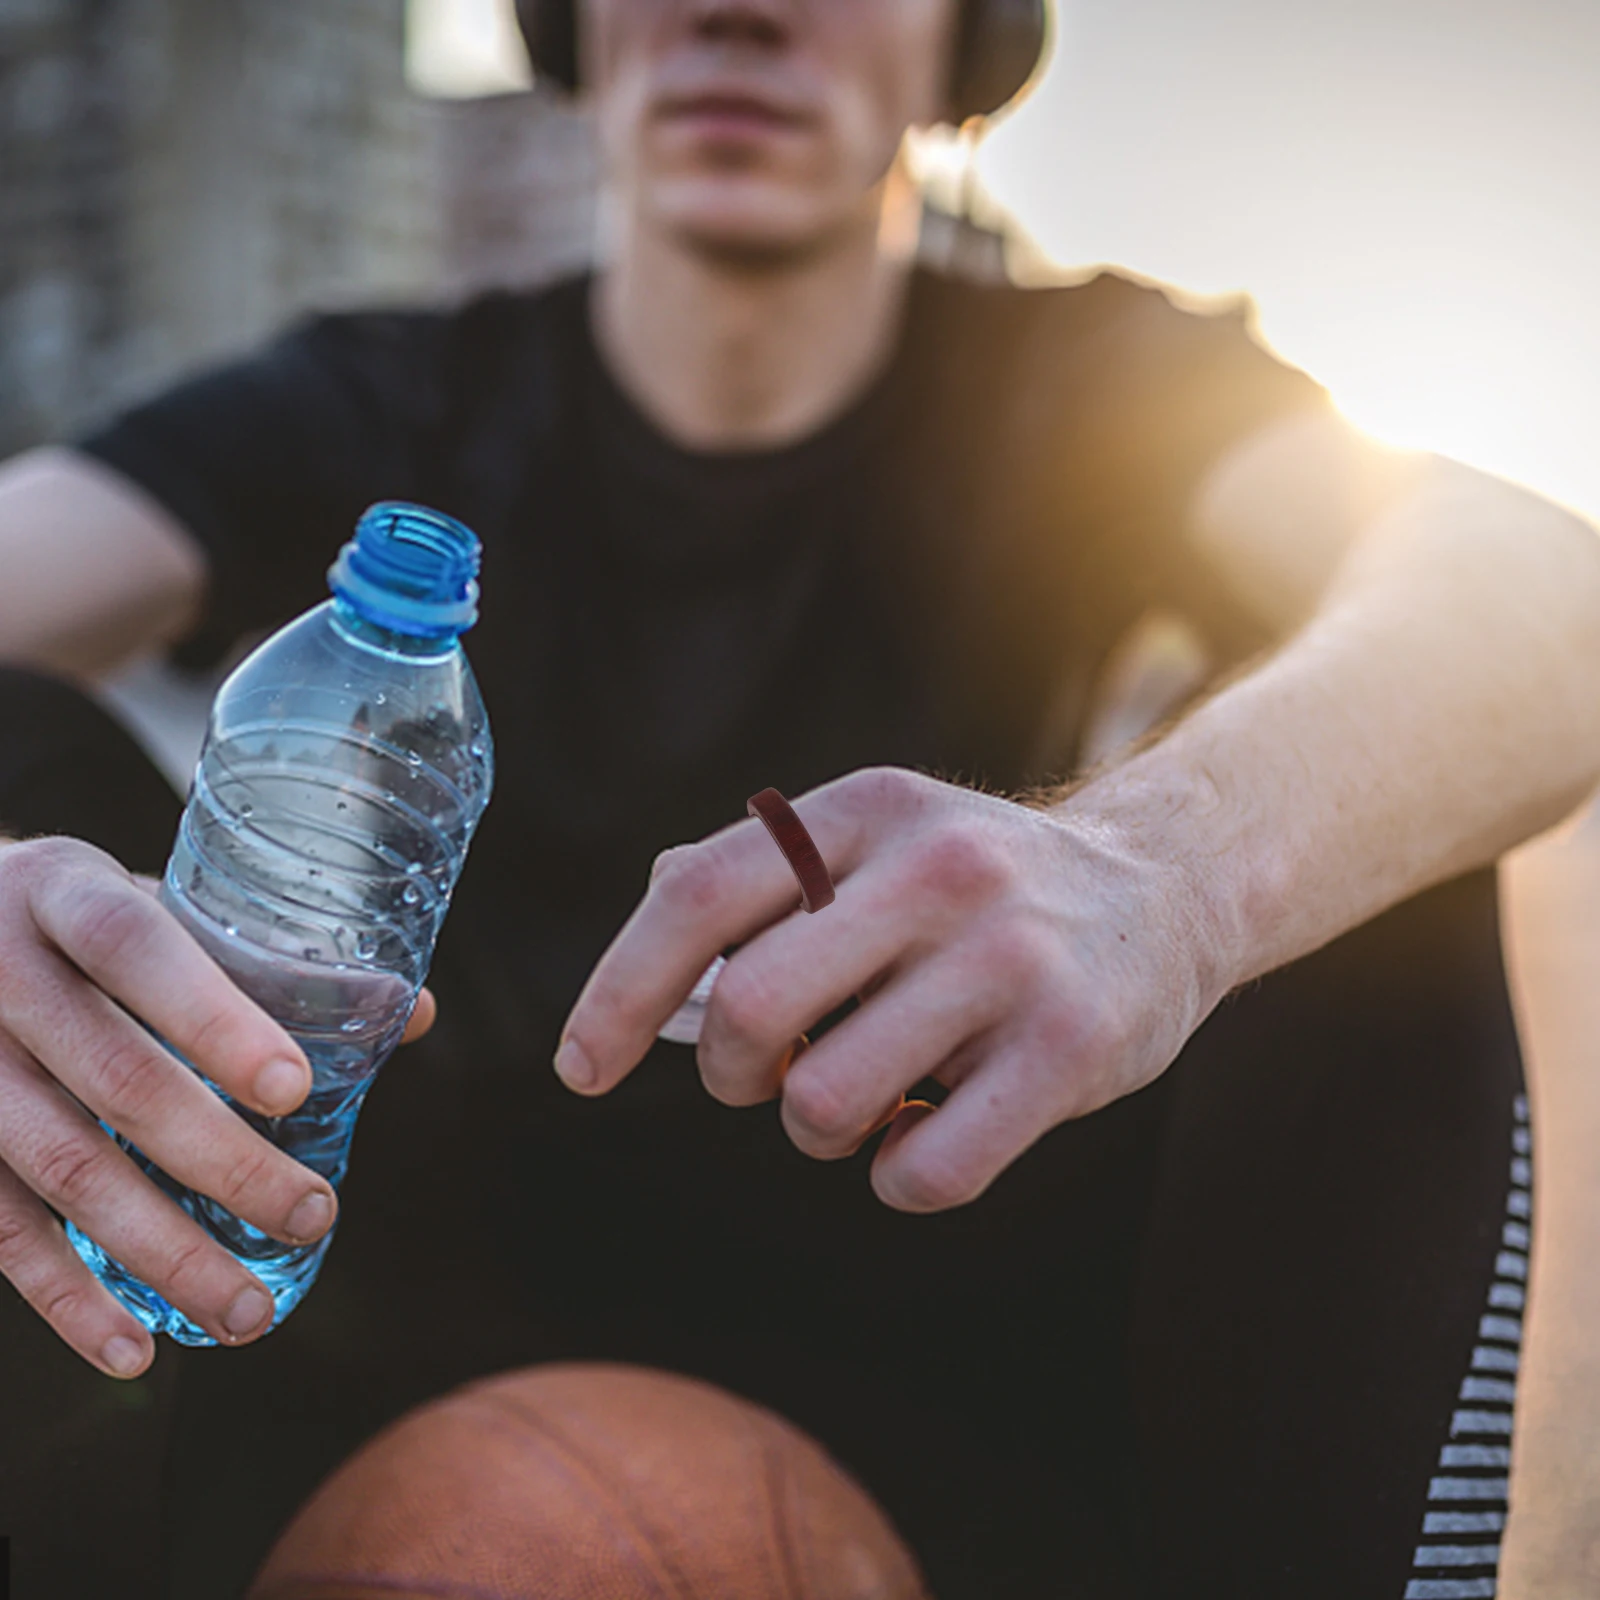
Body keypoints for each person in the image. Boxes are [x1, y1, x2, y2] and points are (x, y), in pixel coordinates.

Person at [0, 0, 1597, 1594]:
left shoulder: (1087, 388)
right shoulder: (383, 398)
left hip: (963, 1315)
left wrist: (1160, 875)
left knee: (1357, 799)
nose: (737, 9)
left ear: (959, 47)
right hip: (343, 1300)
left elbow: (1544, 596)